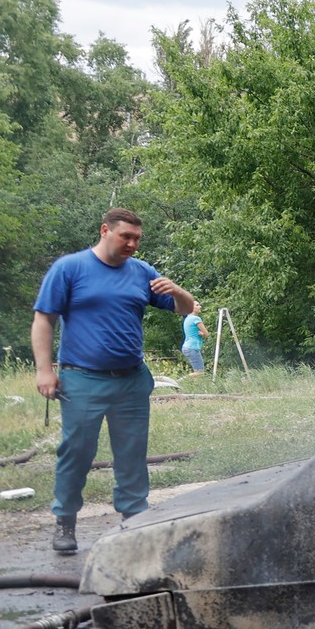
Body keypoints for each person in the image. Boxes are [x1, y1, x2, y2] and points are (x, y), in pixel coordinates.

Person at [32, 208, 198, 555]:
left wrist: (178, 290)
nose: (133, 244)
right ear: (105, 230)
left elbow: (186, 309)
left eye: (137, 238)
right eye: (126, 237)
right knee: (76, 453)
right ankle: (65, 521)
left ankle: (134, 521)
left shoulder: (141, 272)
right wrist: (44, 369)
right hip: (82, 380)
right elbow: (44, 319)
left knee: (132, 454)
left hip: (131, 381)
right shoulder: (70, 268)